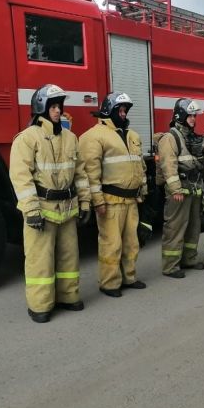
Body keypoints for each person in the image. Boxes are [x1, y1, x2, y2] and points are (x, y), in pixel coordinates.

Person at [10, 84, 91, 323]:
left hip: (67, 209)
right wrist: (31, 210)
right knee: (40, 261)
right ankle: (40, 305)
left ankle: (68, 296)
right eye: (53, 107)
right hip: (42, 210)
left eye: (59, 107)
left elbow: (80, 174)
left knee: (69, 258)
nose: (57, 111)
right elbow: (21, 176)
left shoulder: (70, 137)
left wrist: (85, 203)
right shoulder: (27, 138)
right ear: (41, 108)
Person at [79, 92, 148, 298]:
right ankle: (109, 283)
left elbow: (140, 166)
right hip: (110, 201)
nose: (124, 112)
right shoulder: (94, 136)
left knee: (131, 242)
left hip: (130, 200)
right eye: (120, 108)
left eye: (126, 109)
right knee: (111, 243)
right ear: (109, 109)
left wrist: (142, 191)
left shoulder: (132, 135)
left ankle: (129, 277)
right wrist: (97, 201)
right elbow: (90, 173)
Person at [157, 98, 204, 278]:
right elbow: (168, 166)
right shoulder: (170, 137)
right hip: (179, 192)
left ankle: (189, 259)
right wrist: (175, 190)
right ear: (181, 115)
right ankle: (170, 266)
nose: (193, 119)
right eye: (190, 115)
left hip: (194, 189)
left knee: (193, 227)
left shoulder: (191, 137)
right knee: (175, 228)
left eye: (195, 115)